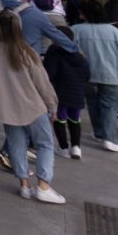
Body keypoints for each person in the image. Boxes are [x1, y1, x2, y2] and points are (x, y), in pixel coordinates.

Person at [0, 9, 66, 204]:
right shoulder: (26, 51)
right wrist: (52, 105)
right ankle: (43, 186)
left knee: (16, 145)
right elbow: (42, 83)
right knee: (44, 144)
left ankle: (24, 185)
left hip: (6, 106)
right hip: (32, 105)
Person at [72, 0, 118, 152]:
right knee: (110, 105)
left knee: (92, 103)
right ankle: (109, 138)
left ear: (83, 14)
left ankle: (99, 132)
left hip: (86, 74)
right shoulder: (114, 32)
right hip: (112, 74)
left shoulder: (76, 30)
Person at [44, 25, 91, 159]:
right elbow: (87, 75)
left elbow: (49, 73)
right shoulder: (79, 54)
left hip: (60, 92)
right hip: (77, 93)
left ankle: (63, 147)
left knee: (59, 118)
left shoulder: (54, 51)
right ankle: (76, 147)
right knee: (75, 118)